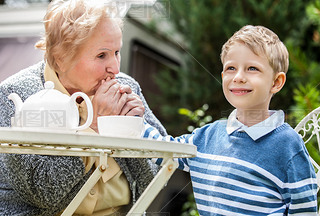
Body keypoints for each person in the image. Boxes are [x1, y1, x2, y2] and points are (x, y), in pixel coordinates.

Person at [0, 0, 167, 215]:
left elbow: (157, 180)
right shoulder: (14, 96)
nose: (115, 68)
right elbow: (44, 194)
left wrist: (133, 131)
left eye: (117, 52)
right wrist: (95, 126)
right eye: (101, 55)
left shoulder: (127, 87)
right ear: (60, 59)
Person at [143, 25, 318, 215]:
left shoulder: (288, 146)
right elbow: (164, 150)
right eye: (231, 68)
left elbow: (304, 211)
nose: (239, 77)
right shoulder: (206, 136)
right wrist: (132, 119)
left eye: (252, 68)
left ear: (276, 82)